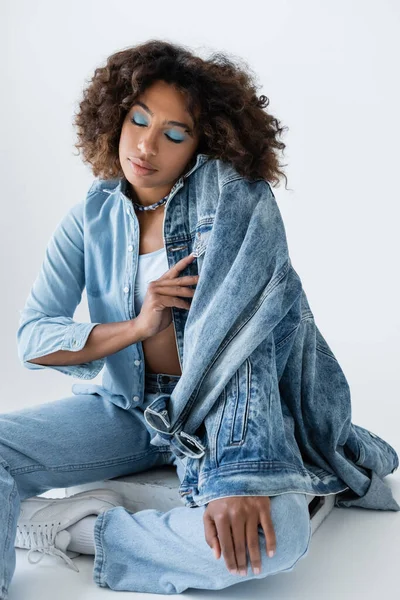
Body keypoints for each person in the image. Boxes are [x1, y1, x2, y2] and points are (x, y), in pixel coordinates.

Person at [3, 39, 397, 599]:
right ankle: (155, 504)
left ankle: (74, 529)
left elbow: (247, 346)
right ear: (114, 116)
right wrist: (139, 327)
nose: (146, 144)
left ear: (201, 143)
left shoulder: (233, 201)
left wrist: (241, 475)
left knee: (276, 538)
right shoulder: (90, 216)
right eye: (138, 118)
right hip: (125, 407)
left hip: (216, 415)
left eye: (174, 132)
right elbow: (34, 337)